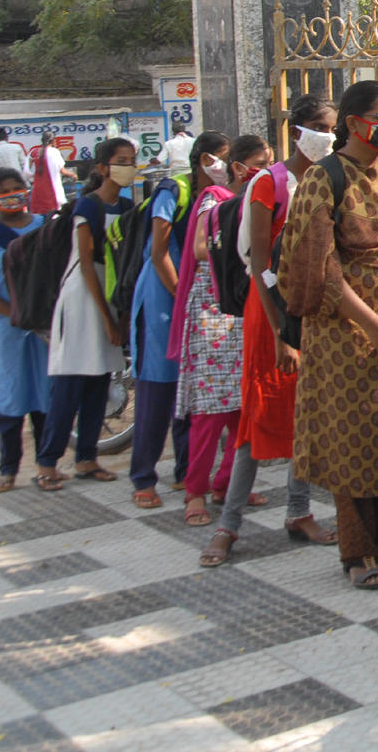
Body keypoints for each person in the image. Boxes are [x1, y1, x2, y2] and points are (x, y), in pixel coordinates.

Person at [279, 80, 378, 589]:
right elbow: (320, 269)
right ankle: (358, 553)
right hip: (344, 333)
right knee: (354, 444)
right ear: (353, 123)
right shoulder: (322, 180)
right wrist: (372, 324)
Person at [200, 97, 339, 567]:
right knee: (256, 419)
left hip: (311, 312)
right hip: (272, 315)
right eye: (320, 127)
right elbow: (256, 260)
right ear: (296, 130)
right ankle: (228, 525)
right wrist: (281, 330)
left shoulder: (329, 178)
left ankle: (298, 512)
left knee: (303, 414)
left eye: (333, 128)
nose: (328, 136)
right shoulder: (269, 182)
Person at [127, 132, 229, 510]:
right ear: (203, 160)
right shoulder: (175, 190)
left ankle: (187, 473)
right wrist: (179, 295)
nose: (225, 165)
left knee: (192, 388)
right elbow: (159, 252)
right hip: (163, 296)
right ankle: (143, 477)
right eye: (221, 158)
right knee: (157, 386)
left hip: (195, 300)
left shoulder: (219, 197)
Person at [35, 138, 136, 489]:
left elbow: (126, 259)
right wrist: (108, 318)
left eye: (132, 160)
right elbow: (86, 264)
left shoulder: (126, 207)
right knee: (71, 381)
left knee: (99, 380)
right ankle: (47, 462)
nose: (128, 166)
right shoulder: (87, 207)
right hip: (83, 297)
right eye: (121, 160)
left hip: (110, 294)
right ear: (103, 167)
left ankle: (87, 457)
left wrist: (120, 314)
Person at [171, 136, 258, 525]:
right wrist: (244, 245)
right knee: (209, 412)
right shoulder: (215, 199)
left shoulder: (256, 199)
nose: (262, 169)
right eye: (256, 162)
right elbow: (200, 249)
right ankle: (195, 492)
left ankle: (227, 482)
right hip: (211, 316)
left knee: (242, 407)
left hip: (240, 312)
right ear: (237, 167)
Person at [0, 168, 51, 494]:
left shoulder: (44, 226)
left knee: (46, 395)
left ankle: (47, 463)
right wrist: (15, 314)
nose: (13, 194)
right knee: (10, 398)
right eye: (5, 190)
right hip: (8, 329)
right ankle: (8, 468)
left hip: (43, 327)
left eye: (18, 188)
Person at [28, 131, 75, 214]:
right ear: (53, 141)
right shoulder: (55, 152)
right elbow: (63, 171)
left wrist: (34, 177)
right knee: (53, 215)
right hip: (52, 190)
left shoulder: (34, 152)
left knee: (39, 214)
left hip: (37, 189)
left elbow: (26, 171)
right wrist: (73, 174)